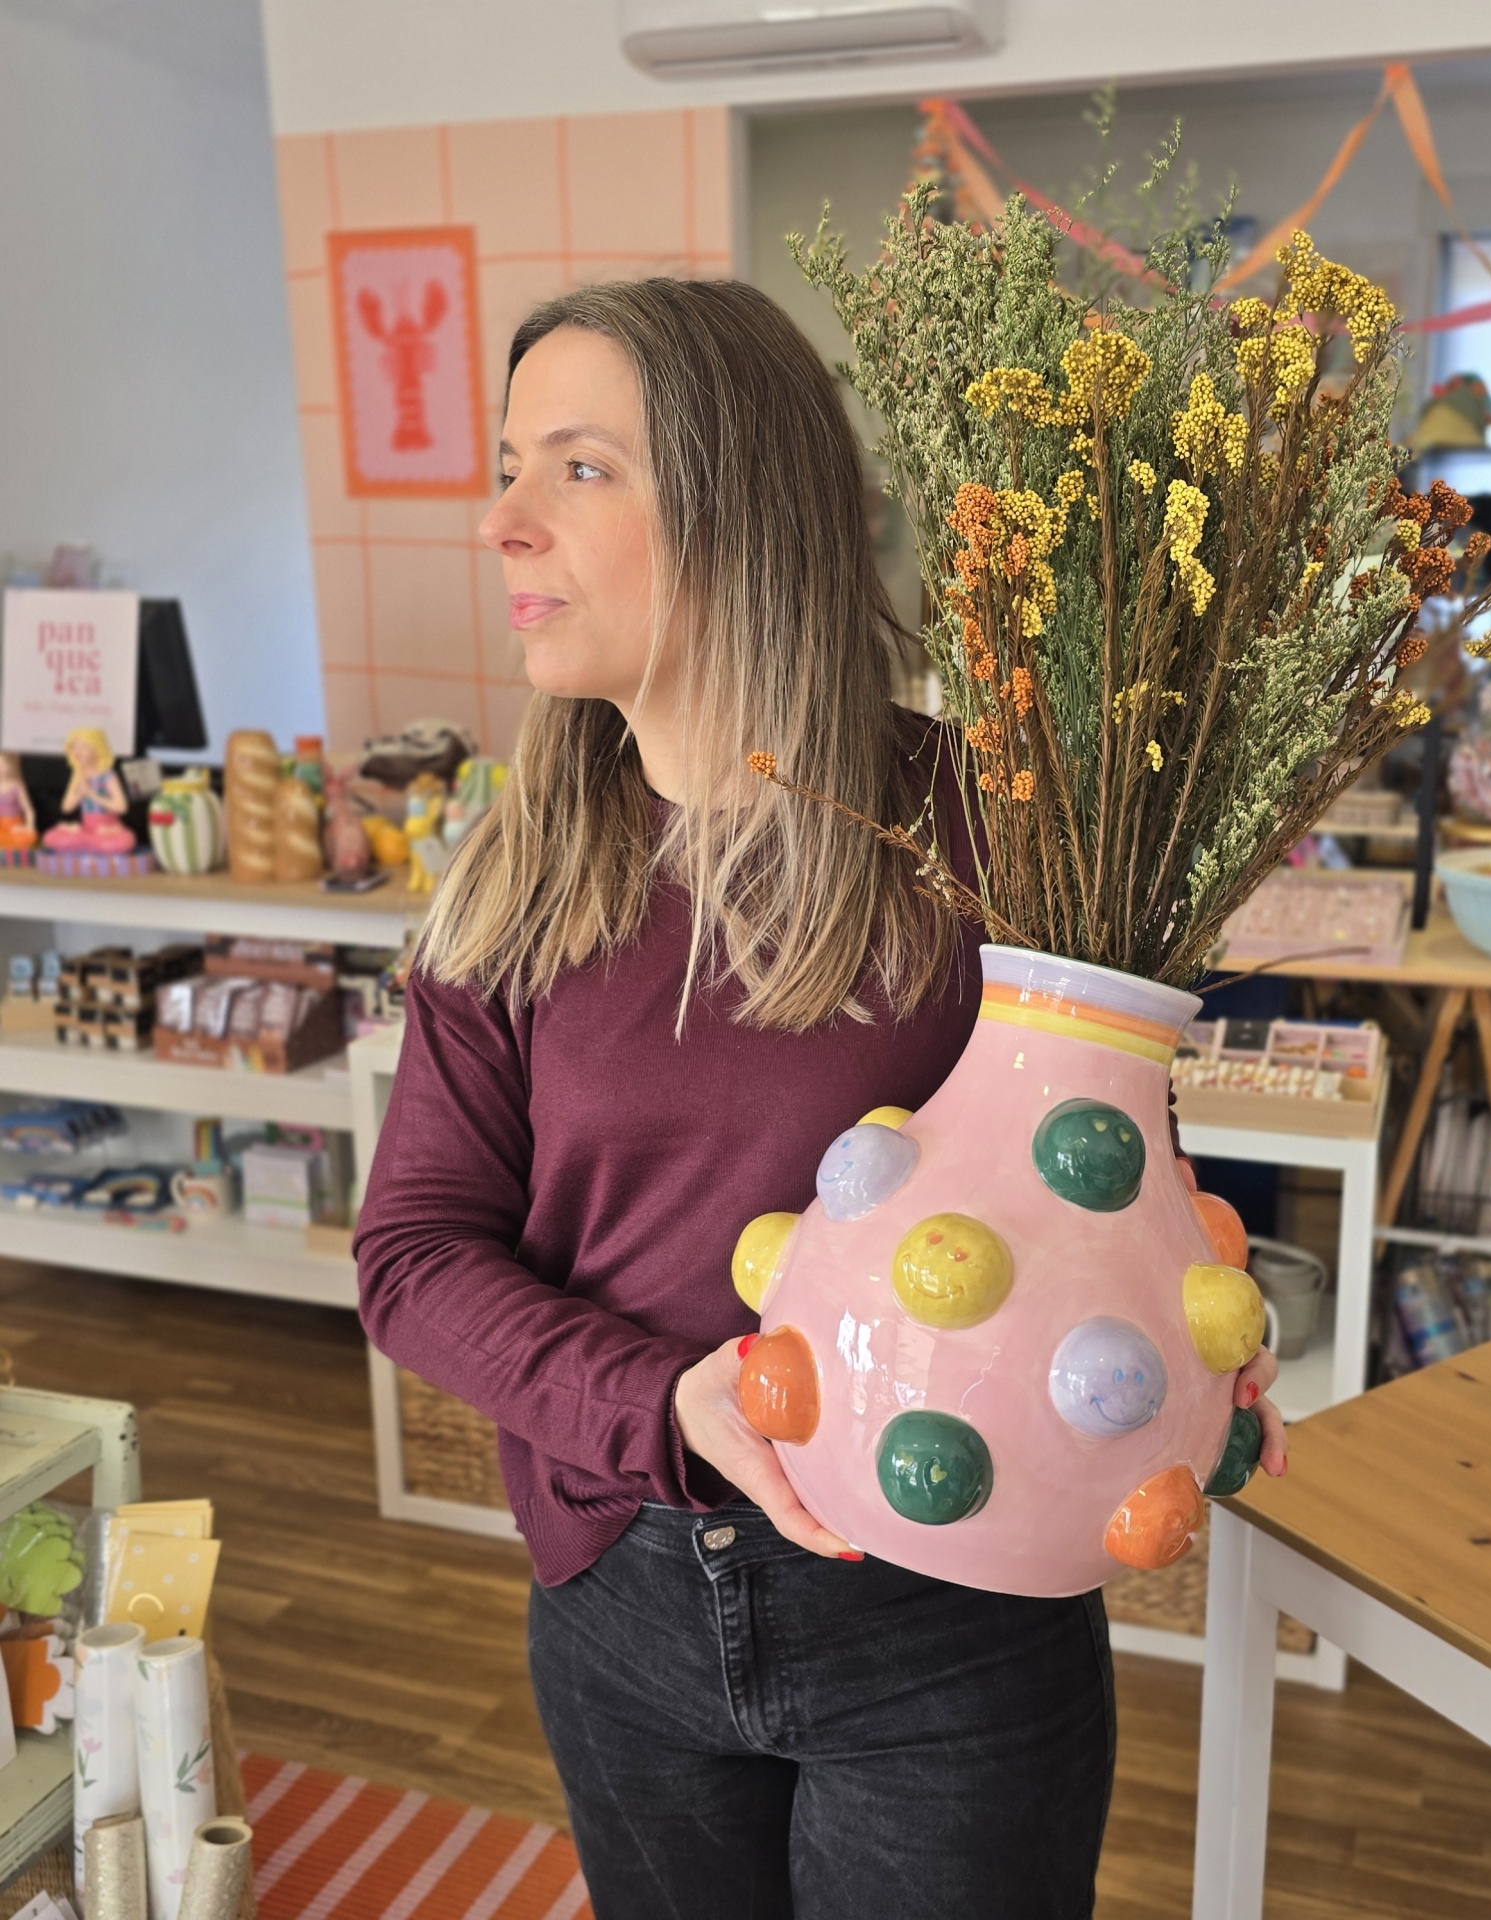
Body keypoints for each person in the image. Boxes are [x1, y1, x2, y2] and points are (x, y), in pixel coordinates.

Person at [353, 278, 1286, 1920]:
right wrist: (667, 1407)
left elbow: (1109, 1180)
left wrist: (1183, 1324)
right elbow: (414, 1256)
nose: (501, 522)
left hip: (947, 1623)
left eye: (577, 468)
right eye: (511, 465)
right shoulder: (514, 876)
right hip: (623, 1599)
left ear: (740, 503)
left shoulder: (989, 832)